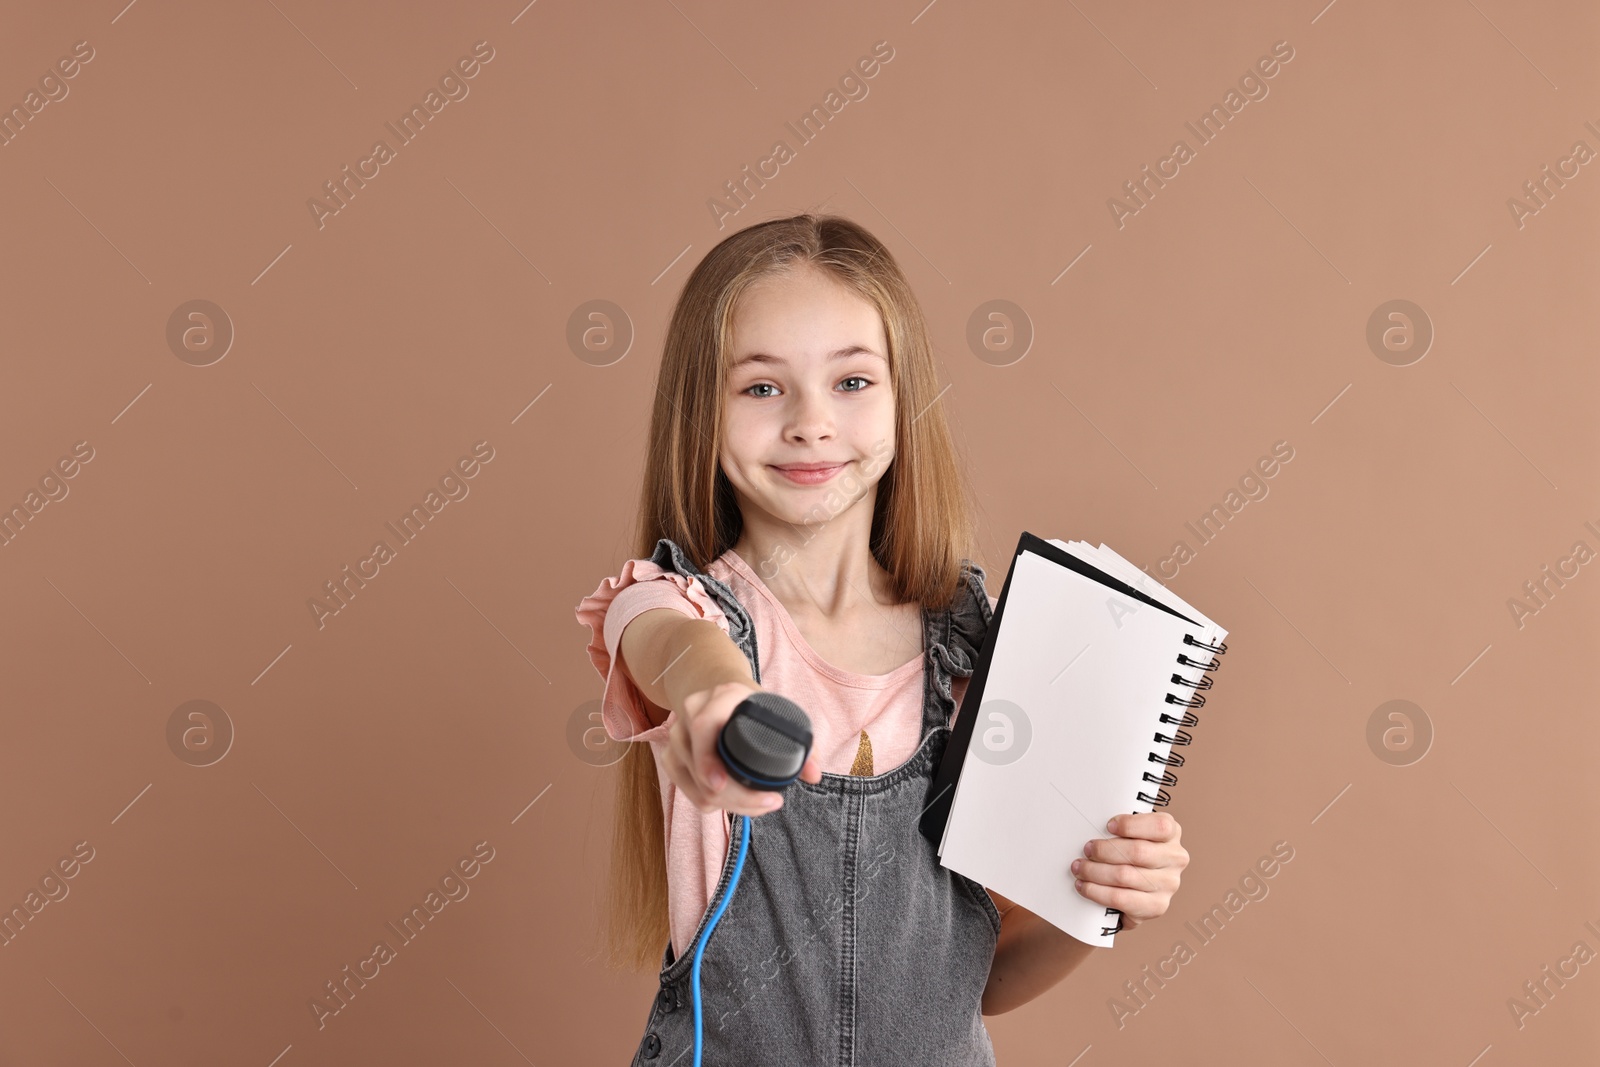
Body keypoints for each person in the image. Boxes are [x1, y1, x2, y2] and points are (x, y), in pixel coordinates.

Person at [574, 213, 1189, 1064]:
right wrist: (720, 700)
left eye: (852, 382)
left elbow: (982, 982)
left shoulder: (978, 654)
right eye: (761, 387)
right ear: (699, 413)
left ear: (906, 397)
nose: (810, 423)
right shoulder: (677, 607)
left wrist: (1095, 905)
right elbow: (672, 648)